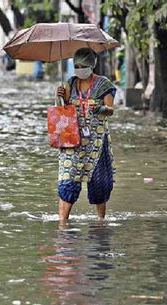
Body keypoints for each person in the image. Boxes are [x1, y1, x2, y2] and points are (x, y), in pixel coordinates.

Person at [56, 48, 116, 223]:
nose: (79, 68)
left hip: (96, 143)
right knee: (67, 180)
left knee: (99, 183)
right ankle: (62, 224)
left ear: (91, 65)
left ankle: (100, 222)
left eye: (83, 65)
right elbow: (62, 111)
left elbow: (111, 111)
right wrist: (60, 97)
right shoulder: (70, 83)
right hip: (72, 141)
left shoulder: (103, 84)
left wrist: (100, 108)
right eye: (76, 65)